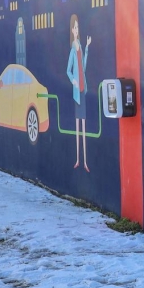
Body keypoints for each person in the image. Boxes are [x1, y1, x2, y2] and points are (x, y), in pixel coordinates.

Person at [66, 14, 91, 172]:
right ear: (72, 30)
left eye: (77, 27)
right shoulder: (72, 49)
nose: (76, 30)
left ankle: (85, 161)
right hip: (77, 92)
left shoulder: (80, 46)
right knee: (77, 128)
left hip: (83, 89)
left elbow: (84, 67)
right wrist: (73, 81)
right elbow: (68, 70)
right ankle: (77, 159)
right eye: (74, 27)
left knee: (84, 127)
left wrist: (87, 48)